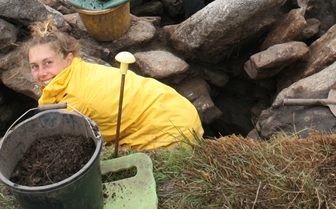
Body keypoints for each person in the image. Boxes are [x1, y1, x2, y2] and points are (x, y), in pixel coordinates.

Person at [26, 18, 204, 150]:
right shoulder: (79, 71)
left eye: (48, 63)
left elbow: (71, 146)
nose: (41, 73)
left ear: (68, 59)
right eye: (35, 66)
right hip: (173, 106)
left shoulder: (75, 100)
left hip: (173, 130)